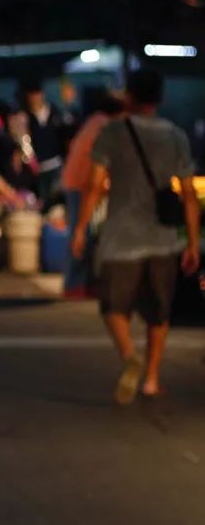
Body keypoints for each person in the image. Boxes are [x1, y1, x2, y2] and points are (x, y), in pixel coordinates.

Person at [71, 68, 199, 403]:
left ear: (129, 95)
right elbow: (187, 194)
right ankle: (152, 379)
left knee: (114, 307)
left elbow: (95, 185)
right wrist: (192, 241)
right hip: (164, 238)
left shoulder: (112, 132)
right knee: (159, 312)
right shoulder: (175, 135)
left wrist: (81, 228)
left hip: (120, 237)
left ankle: (130, 356)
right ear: (159, 98)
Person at [60, 91, 124, 299]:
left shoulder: (96, 121)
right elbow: (97, 171)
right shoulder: (105, 127)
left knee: (82, 233)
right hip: (82, 184)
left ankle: (81, 284)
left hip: (77, 182)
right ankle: (74, 285)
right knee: (80, 234)